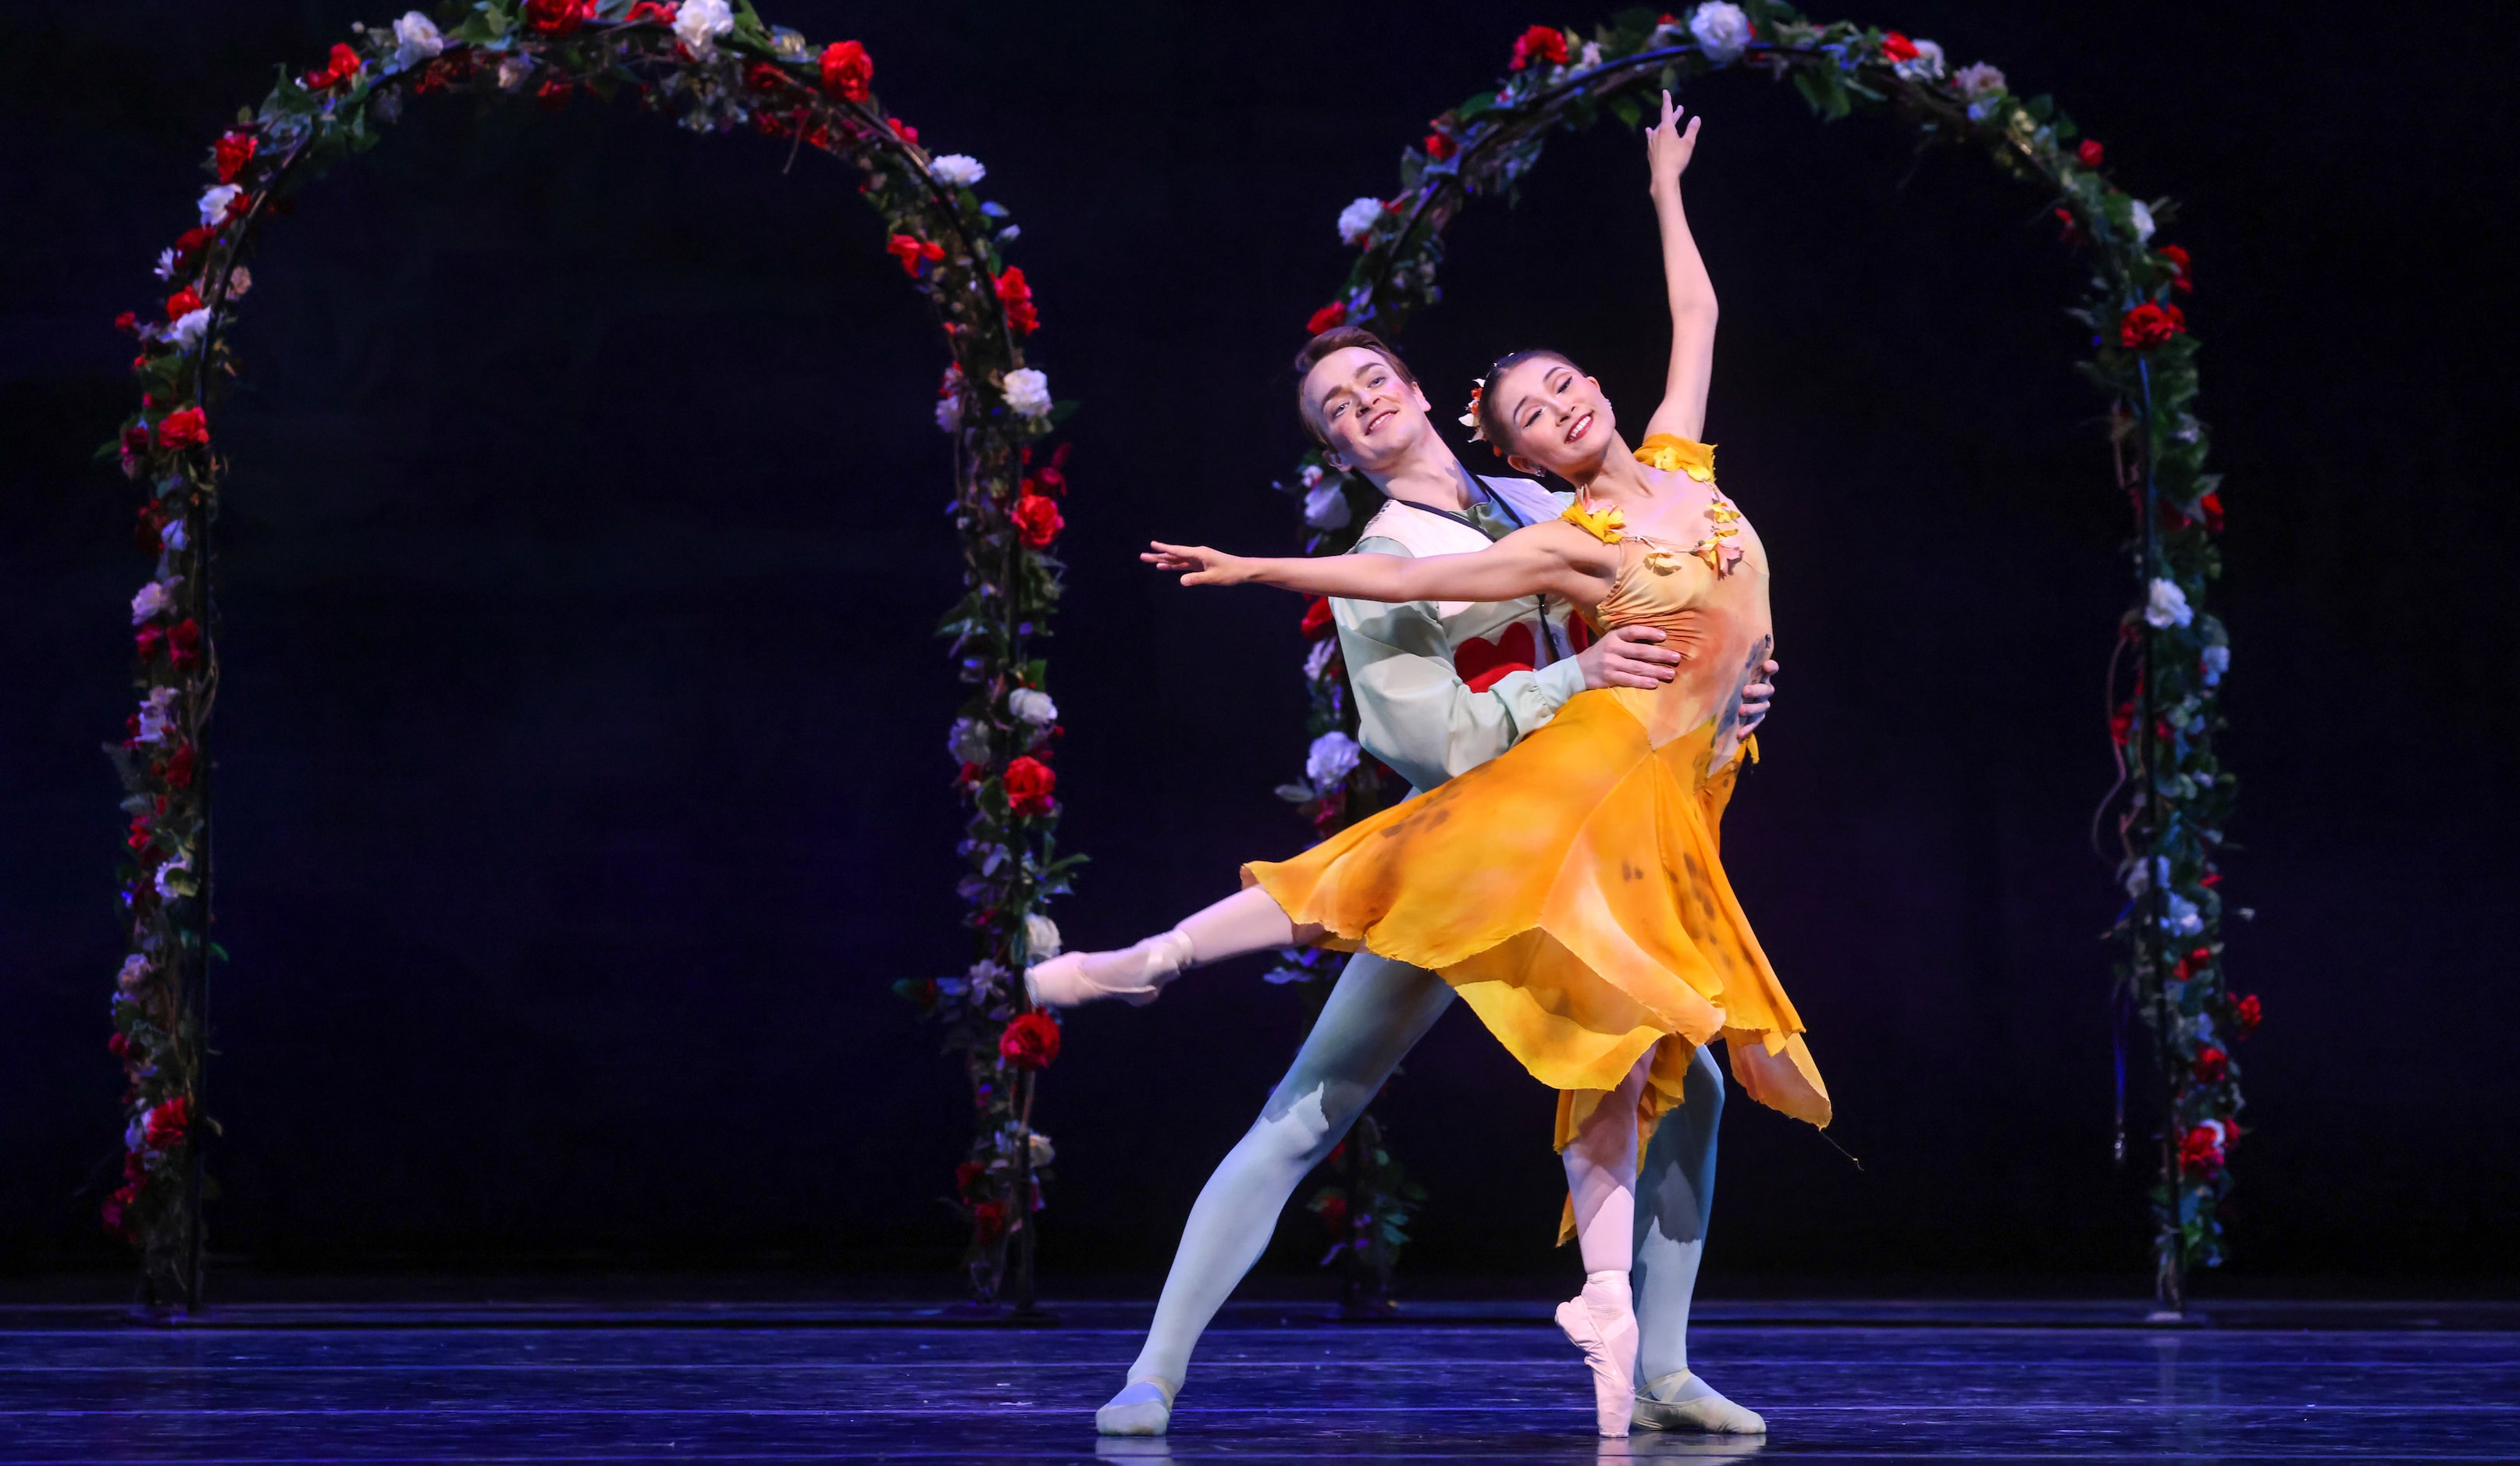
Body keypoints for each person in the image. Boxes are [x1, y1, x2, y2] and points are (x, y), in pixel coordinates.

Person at [1036, 97, 1802, 1440]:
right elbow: (1424, 741)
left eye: (1372, 379)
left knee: (1694, 1069)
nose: (1363, 402)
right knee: (1310, 1106)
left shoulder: (1541, 491)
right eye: (1338, 406)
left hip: (1597, 833)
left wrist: (1726, 687)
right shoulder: (1387, 559)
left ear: (1417, 390)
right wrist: (1580, 676)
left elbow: (1660, 592)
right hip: (1478, 842)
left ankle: (1664, 1361)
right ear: (1339, 446)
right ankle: (1152, 1365)